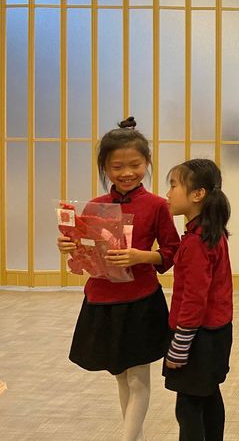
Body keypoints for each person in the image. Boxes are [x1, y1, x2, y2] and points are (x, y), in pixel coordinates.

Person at [57, 117, 180, 441]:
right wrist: (68, 246)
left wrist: (141, 256)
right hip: (101, 300)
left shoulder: (158, 206)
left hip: (141, 299)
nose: (127, 173)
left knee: (138, 377)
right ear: (105, 168)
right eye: (117, 167)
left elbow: (172, 252)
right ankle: (134, 437)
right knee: (121, 376)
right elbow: (83, 255)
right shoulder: (95, 207)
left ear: (147, 163)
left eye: (135, 165)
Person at [163, 159, 233, 441]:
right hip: (215, 334)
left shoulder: (196, 241)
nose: (168, 193)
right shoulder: (211, 232)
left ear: (197, 194)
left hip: (197, 337)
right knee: (208, 396)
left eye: (173, 186)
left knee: (188, 406)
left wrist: (180, 345)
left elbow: (194, 298)